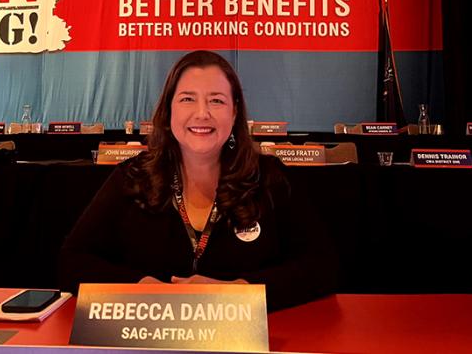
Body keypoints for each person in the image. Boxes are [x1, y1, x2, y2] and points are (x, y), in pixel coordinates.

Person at [58, 50, 337, 310]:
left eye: (216, 100)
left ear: (235, 111)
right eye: (187, 99)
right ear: (169, 111)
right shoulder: (132, 177)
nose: (202, 113)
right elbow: (72, 261)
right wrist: (142, 288)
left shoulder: (270, 177)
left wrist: (238, 293)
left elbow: (322, 267)